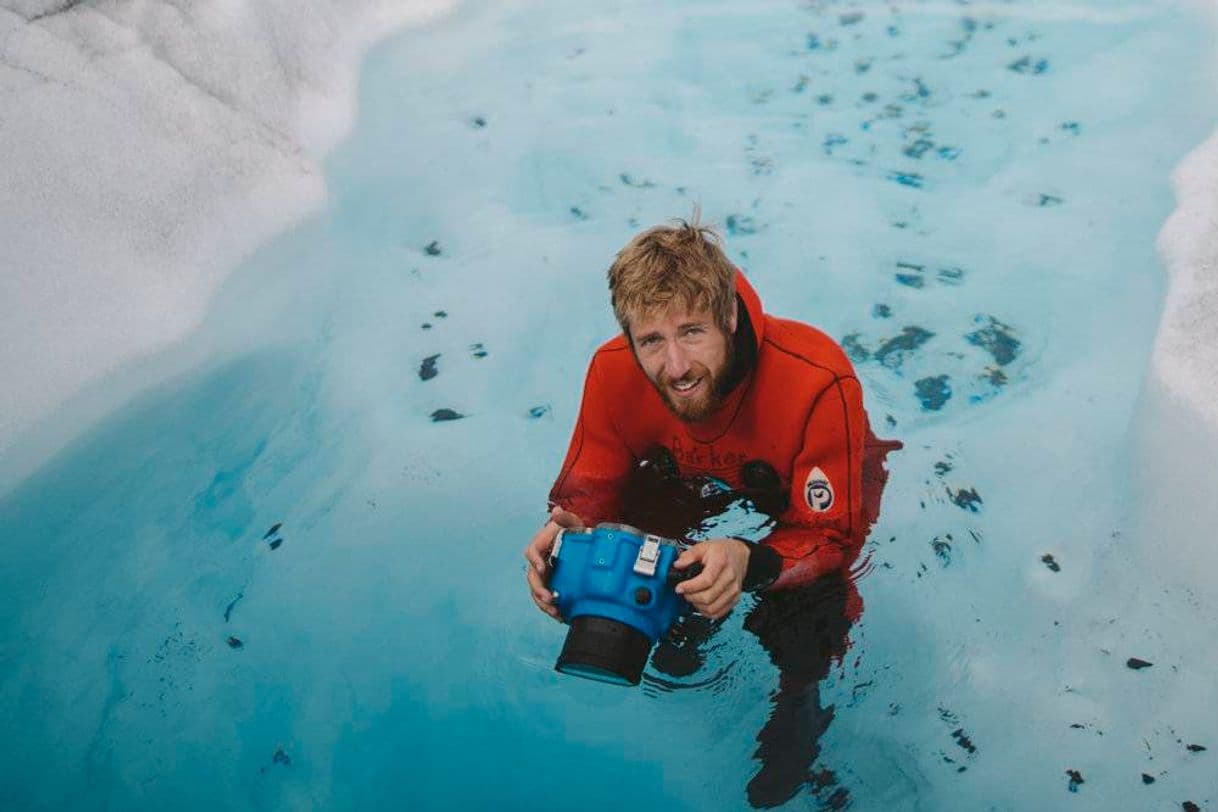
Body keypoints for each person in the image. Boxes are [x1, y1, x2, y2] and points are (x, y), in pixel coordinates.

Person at [523, 218, 899, 808]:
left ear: (727, 316)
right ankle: (686, 615)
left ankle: (798, 701)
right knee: (631, 556)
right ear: (629, 336)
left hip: (795, 489)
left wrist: (748, 559)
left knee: (808, 613)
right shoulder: (611, 371)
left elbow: (832, 534)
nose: (675, 366)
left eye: (691, 332)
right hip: (680, 475)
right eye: (651, 341)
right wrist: (564, 528)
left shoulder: (816, 379)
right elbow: (588, 488)